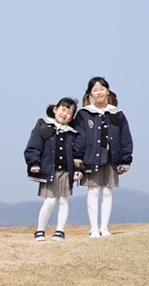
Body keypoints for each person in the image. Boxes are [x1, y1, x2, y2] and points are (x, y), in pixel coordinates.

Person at [74, 76, 133, 237]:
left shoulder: (117, 113)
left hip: (112, 159)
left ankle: (104, 227)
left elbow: (125, 137)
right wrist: (77, 158)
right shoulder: (84, 114)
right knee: (93, 190)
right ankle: (93, 228)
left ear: (108, 91)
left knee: (107, 191)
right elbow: (79, 136)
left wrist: (126, 159)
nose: (99, 92)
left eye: (102, 89)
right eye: (95, 90)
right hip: (91, 158)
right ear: (90, 94)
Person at [24, 97, 81, 241]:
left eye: (69, 112)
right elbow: (33, 146)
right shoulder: (44, 126)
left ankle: (60, 231)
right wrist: (34, 164)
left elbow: (78, 154)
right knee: (49, 201)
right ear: (55, 109)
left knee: (63, 201)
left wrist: (79, 170)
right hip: (49, 170)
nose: (65, 113)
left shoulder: (71, 132)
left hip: (66, 172)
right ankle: (40, 230)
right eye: (63, 109)